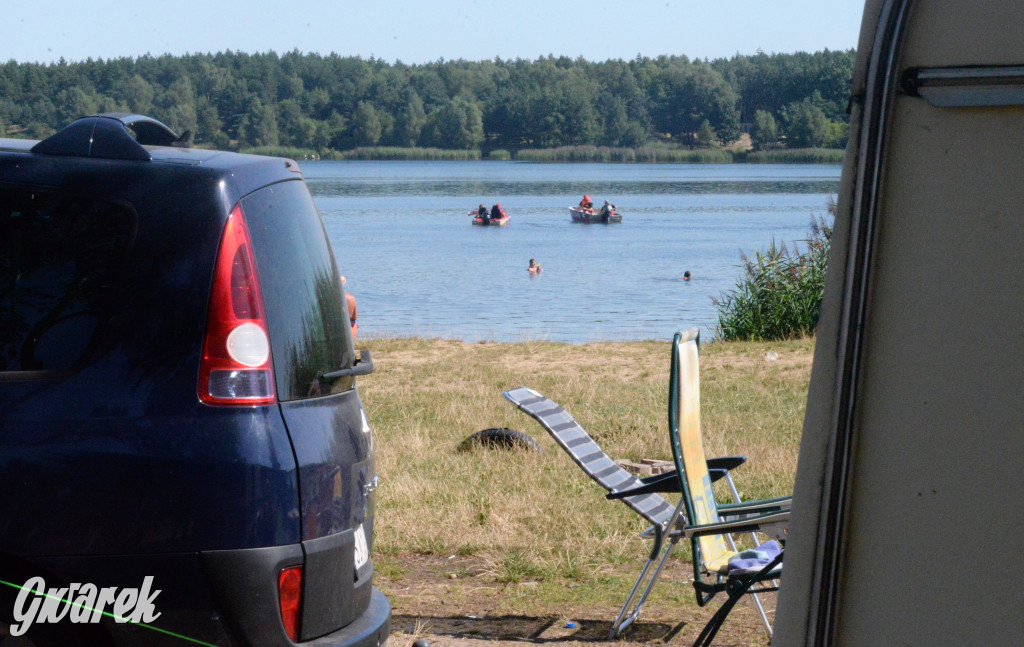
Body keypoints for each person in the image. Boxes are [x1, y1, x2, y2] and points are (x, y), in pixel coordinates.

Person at [340, 274, 358, 338]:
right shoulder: (351, 298)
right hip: (349, 325)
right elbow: (354, 317)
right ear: (344, 283)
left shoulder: (332, 297)